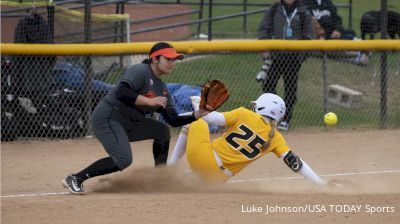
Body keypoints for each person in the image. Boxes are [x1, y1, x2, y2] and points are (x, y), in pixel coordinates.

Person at [63, 42, 210, 194]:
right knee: (123, 159)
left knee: (162, 130)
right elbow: (121, 92)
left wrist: (196, 114)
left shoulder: (162, 89)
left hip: (130, 122)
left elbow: (173, 119)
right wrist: (148, 101)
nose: (172, 63)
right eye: (168, 59)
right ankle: (76, 178)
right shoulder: (140, 71)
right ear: (154, 59)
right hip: (108, 117)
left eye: (174, 60)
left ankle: (160, 178)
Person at [168, 93, 327, 186]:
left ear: (262, 107)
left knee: (194, 120)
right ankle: (193, 175)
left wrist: (198, 103)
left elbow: (211, 118)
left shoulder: (245, 114)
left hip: (203, 159)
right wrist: (321, 184)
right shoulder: (276, 138)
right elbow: (296, 163)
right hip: (218, 179)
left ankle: (169, 168)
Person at [256, 0, 316, 131]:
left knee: (290, 88)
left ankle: (286, 119)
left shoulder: (302, 12)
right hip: (276, 55)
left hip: (293, 57)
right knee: (268, 83)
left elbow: (309, 35)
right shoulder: (274, 10)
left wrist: (299, 46)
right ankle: (270, 115)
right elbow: (263, 30)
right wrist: (266, 49)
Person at [302, 0, 369, 65]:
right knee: (330, 49)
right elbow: (311, 24)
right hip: (319, 37)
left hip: (334, 33)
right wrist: (326, 34)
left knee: (348, 34)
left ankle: (361, 48)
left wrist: (338, 30)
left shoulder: (327, 2)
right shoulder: (306, 3)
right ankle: (358, 55)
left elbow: (336, 18)